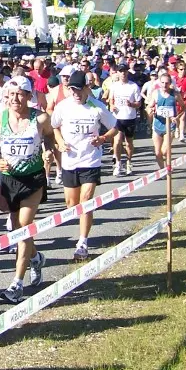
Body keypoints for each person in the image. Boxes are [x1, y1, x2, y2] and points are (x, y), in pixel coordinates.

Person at [0, 76, 53, 303]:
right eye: (11, 94)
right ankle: (36, 257)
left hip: (33, 179)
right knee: (16, 229)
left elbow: (50, 136)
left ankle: (16, 283)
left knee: (24, 227)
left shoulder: (40, 118)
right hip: (10, 179)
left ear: (29, 96)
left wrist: (49, 150)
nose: (15, 99)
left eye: (20, 94)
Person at [51, 71, 118, 262]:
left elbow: (115, 126)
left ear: (88, 88)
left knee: (86, 201)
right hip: (70, 160)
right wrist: (60, 142)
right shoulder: (63, 107)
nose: (77, 94)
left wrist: (104, 138)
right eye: (73, 90)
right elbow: (54, 126)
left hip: (90, 160)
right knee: (72, 205)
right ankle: (82, 234)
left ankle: (82, 242)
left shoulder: (97, 107)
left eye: (80, 90)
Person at [108, 65, 142, 176]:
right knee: (117, 142)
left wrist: (131, 104)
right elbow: (111, 100)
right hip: (117, 118)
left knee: (129, 143)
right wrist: (112, 105)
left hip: (129, 118)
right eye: (121, 71)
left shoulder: (134, 86)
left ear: (127, 72)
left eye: (125, 71)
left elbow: (139, 103)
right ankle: (118, 164)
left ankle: (129, 162)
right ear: (117, 73)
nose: (123, 73)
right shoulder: (114, 86)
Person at [149, 72, 183, 169]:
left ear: (170, 83)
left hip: (170, 126)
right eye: (163, 83)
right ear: (159, 83)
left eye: (167, 83)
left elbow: (183, 107)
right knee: (157, 152)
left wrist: (177, 116)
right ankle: (163, 170)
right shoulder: (156, 93)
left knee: (164, 150)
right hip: (157, 124)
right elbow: (149, 106)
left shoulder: (175, 94)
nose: (164, 85)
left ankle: (168, 166)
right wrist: (151, 110)